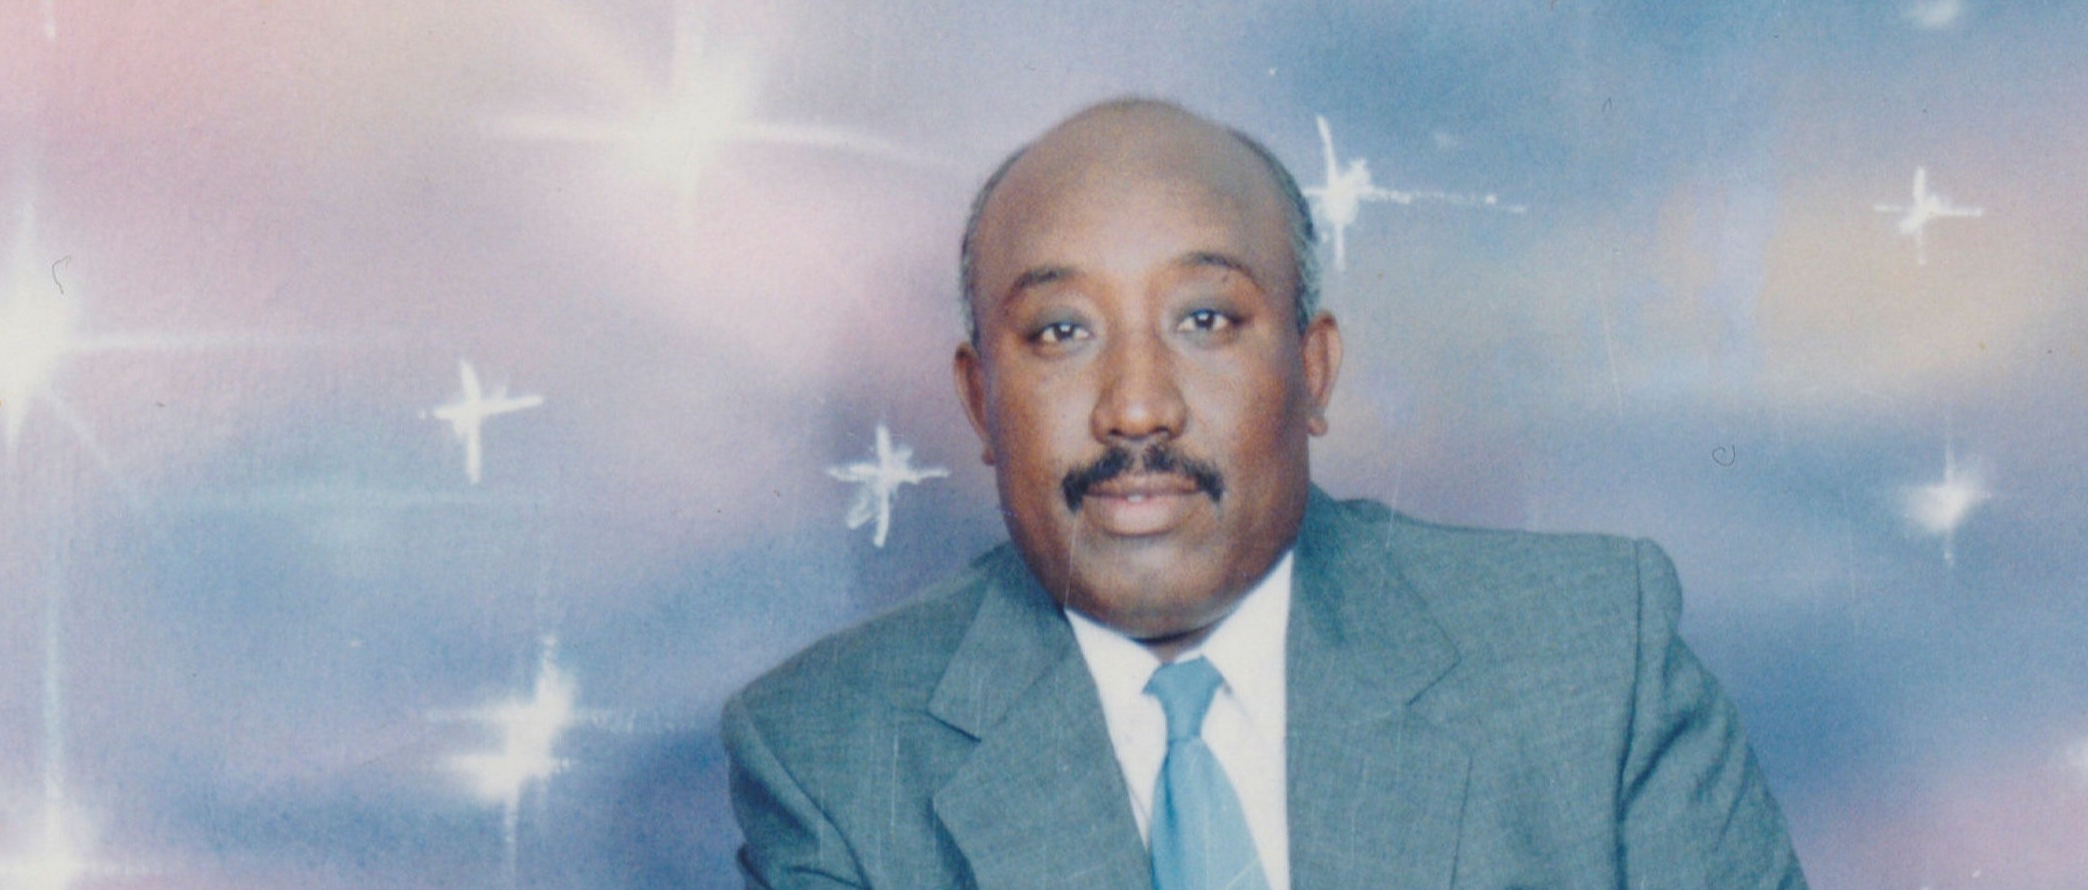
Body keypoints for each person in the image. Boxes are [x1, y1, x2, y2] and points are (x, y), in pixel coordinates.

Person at [722, 98, 1807, 889]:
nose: (1136, 408)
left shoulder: (1591, 659)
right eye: (1061, 331)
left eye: (1205, 320)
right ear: (977, 401)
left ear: (1312, 369)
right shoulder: (831, 752)